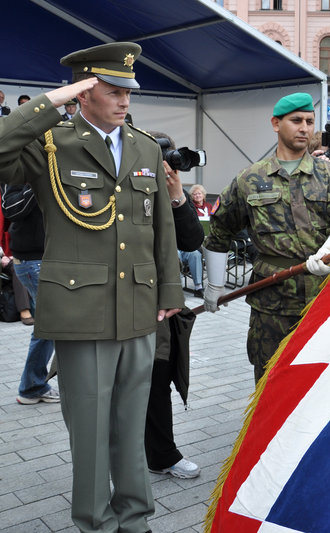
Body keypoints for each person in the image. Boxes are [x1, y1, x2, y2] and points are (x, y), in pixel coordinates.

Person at [0, 42, 183, 532]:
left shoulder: (144, 145)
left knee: (130, 422)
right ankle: (95, 521)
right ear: (84, 92)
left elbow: (160, 226)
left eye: (129, 90)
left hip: (140, 307)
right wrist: (51, 102)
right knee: (90, 429)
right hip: (82, 310)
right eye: (113, 88)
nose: (125, 99)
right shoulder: (52, 142)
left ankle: (136, 518)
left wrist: (169, 293)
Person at [203, 92, 330, 384]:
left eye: (310, 121)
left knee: (322, 382)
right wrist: (214, 285)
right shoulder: (249, 179)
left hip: (325, 296)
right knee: (270, 383)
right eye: (296, 120)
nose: (304, 128)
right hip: (271, 304)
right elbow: (220, 231)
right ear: (276, 124)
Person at [145, 131, 204, 480]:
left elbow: (193, 240)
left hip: (159, 305)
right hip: (120, 300)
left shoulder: (170, 194)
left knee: (159, 374)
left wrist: (178, 195)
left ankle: (162, 454)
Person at [1, 183, 59, 404]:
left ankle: (32, 385)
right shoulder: (21, 168)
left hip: (42, 258)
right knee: (49, 324)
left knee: (48, 324)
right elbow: (12, 209)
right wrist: (40, 177)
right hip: (33, 259)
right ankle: (32, 386)